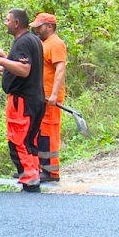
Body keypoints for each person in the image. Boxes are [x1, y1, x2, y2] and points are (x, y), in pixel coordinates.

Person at [0, 8, 45, 193]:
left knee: (18, 141)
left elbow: (24, 69)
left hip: (23, 102)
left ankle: (30, 179)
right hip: (36, 99)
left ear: (16, 23)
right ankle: (33, 175)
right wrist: (5, 58)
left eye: (7, 19)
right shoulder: (33, 39)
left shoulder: (23, 42)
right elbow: (20, 65)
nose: (5, 22)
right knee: (29, 141)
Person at [30, 12, 67, 182]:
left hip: (51, 99)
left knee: (49, 133)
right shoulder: (43, 44)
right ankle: (42, 168)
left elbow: (60, 69)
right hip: (42, 97)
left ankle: (51, 172)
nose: (37, 30)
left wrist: (53, 95)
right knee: (41, 132)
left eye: (40, 27)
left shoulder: (56, 44)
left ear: (50, 27)